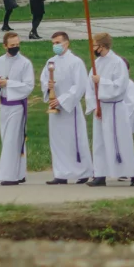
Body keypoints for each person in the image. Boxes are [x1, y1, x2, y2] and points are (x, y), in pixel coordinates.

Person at [83, 33, 134, 187]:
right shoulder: (97, 63)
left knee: (119, 140)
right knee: (99, 141)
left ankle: (130, 172)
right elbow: (89, 86)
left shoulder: (117, 62)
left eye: (94, 45)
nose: (92, 48)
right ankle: (100, 174)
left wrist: (102, 81)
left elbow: (120, 85)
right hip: (101, 108)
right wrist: (95, 105)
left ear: (102, 46)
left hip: (114, 107)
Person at [41, 32, 93, 185]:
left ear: (67, 43)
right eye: (53, 43)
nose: (55, 46)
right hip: (54, 108)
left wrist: (61, 100)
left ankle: (83, 171)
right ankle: (61, 173)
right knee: (57, 141)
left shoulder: (75, 62)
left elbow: (80, 86)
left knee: (75, 140)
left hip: (70, 109)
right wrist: (47, 87)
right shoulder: (51, 61)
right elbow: (44, 79)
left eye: (58, 42)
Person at [0, 32, 34, 186]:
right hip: (4, 105)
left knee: (12, 140)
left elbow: (28, 86)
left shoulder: (25, 63)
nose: (15, 47)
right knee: (7, 138)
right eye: (12, 45)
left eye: (17, 44)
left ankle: (9, 176)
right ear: (5, 46)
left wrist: (9, 84)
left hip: (17, 106)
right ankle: (19, 173)